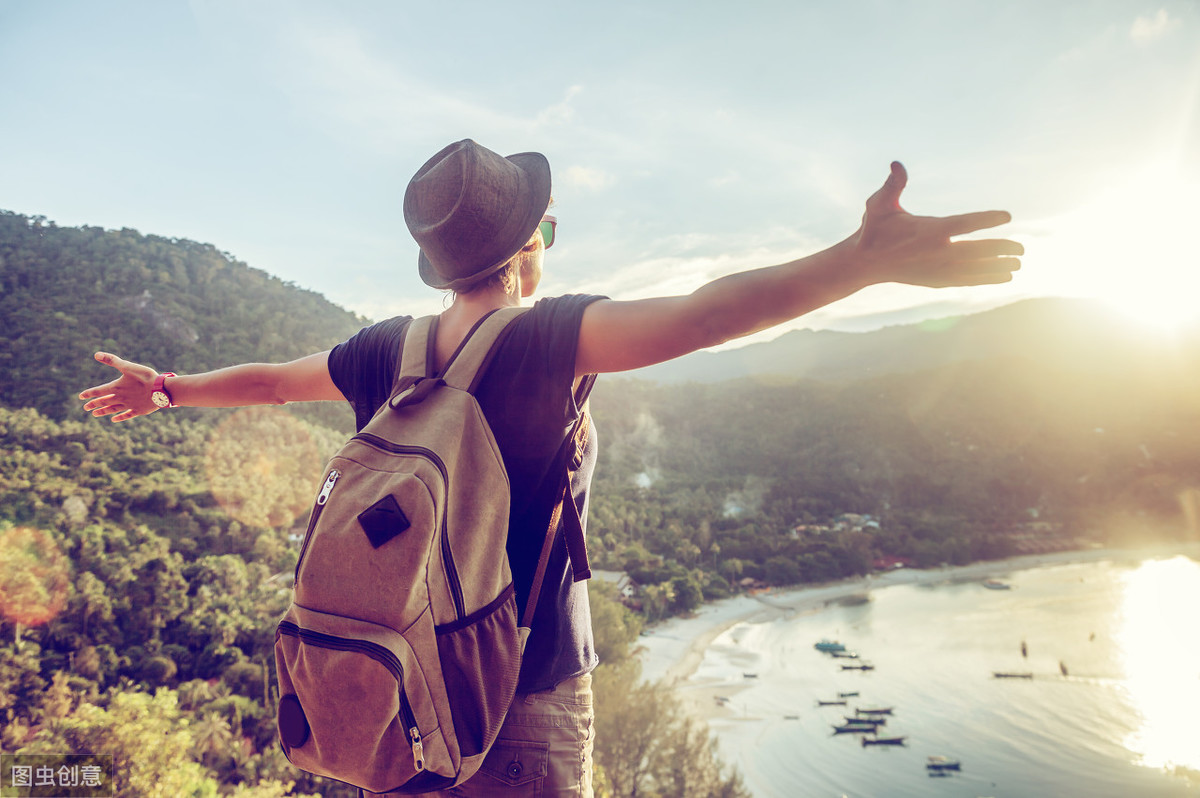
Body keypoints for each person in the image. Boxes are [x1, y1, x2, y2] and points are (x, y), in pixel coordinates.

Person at [79, 139, 1022, 796]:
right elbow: (704, 316)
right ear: (528, 247)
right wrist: (861, 260)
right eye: (550, 233)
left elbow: (274, 386)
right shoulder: (547, 341)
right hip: (519, 708)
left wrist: (166, 388)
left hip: (389, 698)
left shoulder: (384, 352)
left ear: (442, 265)